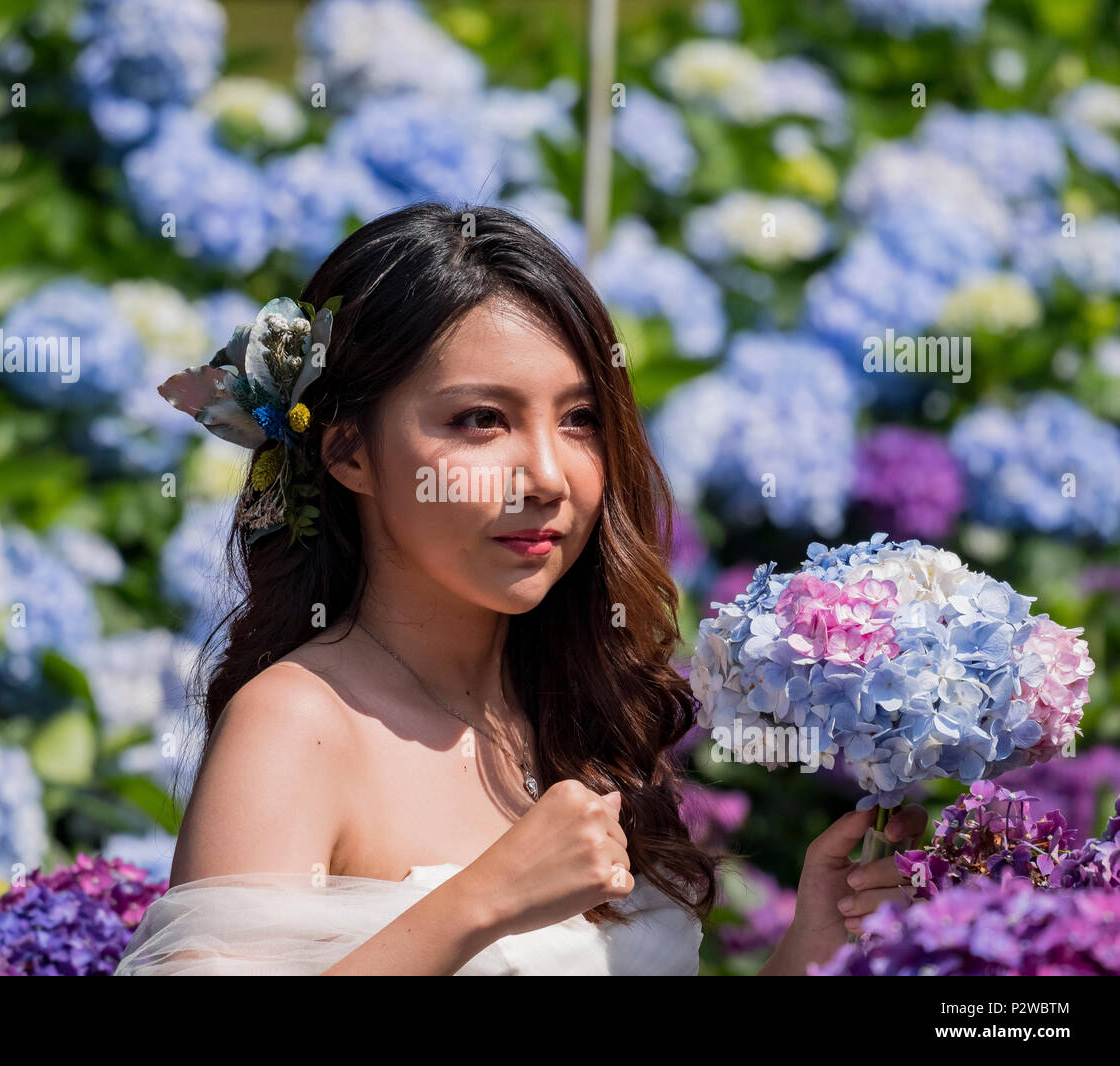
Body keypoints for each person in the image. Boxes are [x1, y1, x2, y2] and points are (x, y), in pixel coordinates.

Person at [115, 202, 924, 976]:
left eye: (579, 419)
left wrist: (810, 951)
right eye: (481, 419)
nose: (547, 476)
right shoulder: (298, 722)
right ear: (348, 452)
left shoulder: (584, 713)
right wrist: (482, 902)